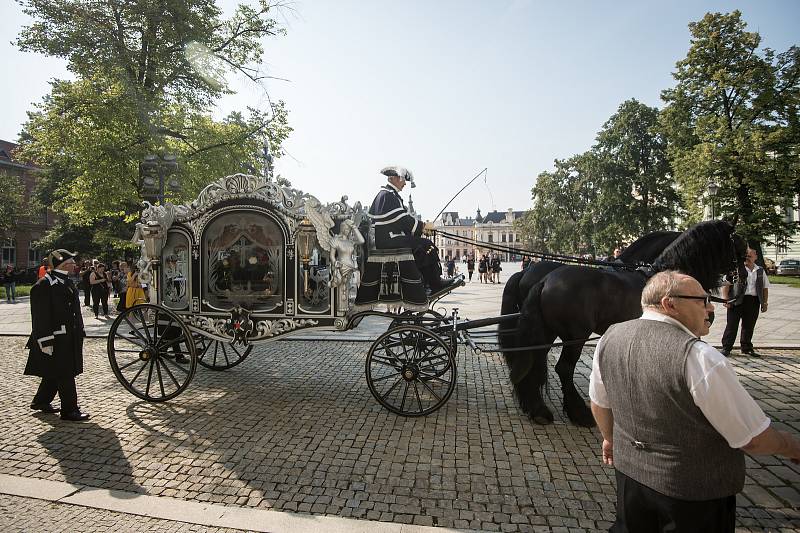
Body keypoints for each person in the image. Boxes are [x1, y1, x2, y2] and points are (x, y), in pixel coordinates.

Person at [589, 270, 800, 532]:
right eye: (702, 300)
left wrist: (610, 439)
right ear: (669, 304)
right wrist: (792, 446)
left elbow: (599, 402)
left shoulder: (610, 337)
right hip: (692, 495)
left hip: (631, 479)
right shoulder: (700, 357)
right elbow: (753, 438)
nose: (710, 307)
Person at [24, 249, 90, 421]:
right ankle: (69, 410)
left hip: (68, 335)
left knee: (55, 371)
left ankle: (41, 401)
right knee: (65, 373)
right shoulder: (43, 286)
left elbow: (75, 310)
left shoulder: (66, 282)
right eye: (71, 263)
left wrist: (79, 330)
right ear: (63, 265)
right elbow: (40, 316)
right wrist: (45, 340)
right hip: (54, 337)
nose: (75, 265)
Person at [369, 166, 455, 293]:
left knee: (422, 243)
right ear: (393, 178)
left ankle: (425, 283)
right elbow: (402, 220)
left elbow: (400, 221)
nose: (404, 183)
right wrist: (423, 227)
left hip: (391, 237)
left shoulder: (390, 195)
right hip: (389, 239)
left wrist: (422, 228)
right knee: (425, 245)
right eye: (403, 179)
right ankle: (434, 283)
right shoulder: (387, 195)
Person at [720, 248, 770, 358]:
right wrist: (725, 299)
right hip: (736, 300)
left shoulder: (760, 270)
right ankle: (726, 348)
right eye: (746, 256)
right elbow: (726, 284)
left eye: (750, 256)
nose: (747, 258)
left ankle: (747, 348)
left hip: (753, 301)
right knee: (732, 325)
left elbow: (765, 288)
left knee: (749, 326)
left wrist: (764, 303)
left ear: (756, 257)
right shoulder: (735, 269)